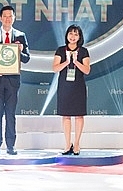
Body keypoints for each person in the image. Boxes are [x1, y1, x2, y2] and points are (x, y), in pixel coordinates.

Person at [0, 5, 30, 155]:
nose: (8, 19)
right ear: (0, 18)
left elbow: (26, 59)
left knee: (11, 114)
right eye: (5, 16)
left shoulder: (20, 36)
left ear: (14, 18)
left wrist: (20, 51)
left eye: (10, 16)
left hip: (13, 81)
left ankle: (11, 146)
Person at [52, 24, 91, 156]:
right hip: (64, 86)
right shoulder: (60, 50)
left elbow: (87, 70)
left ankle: (77, 144)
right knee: (66, 115)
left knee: (79, 115)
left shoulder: (84, 51)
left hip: (78, 86)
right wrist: (67, 61)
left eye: (76, 34)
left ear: (79, 37)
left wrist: (76, 61)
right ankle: (67, 144)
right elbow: (55, 68)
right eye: (70, 33)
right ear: (67, 35)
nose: (73, 36)